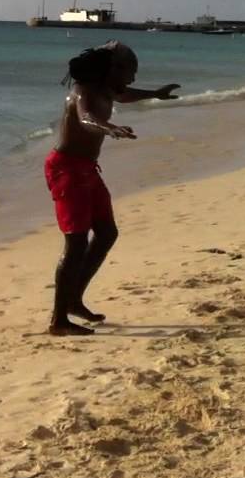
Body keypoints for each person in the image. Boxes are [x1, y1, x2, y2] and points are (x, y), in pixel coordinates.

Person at [45, 42, 180, 335]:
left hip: (87, 170)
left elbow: (127, 95)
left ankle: (73, 301)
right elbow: (85, 118)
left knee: (107, 233)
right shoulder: (82, 91)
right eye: (130, 72)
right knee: (76, 243)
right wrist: (109, 128)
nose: (131, 79)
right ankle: (58, 320)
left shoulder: (108, 89)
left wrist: (155, 94)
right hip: (66, 170)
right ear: (111, 70)